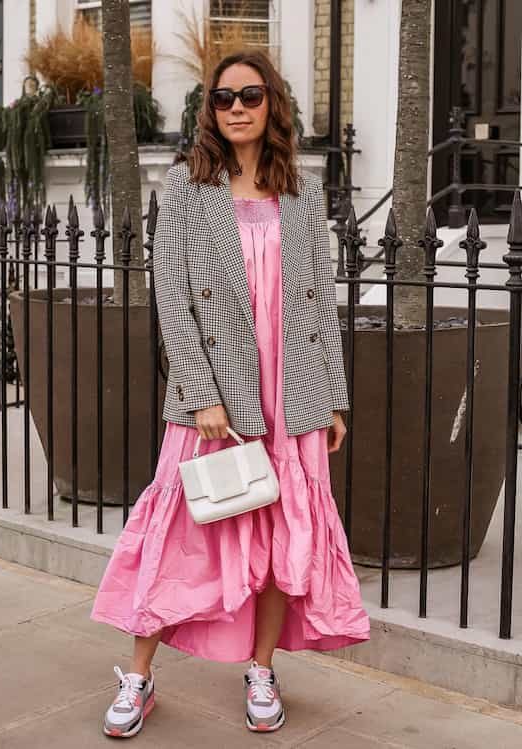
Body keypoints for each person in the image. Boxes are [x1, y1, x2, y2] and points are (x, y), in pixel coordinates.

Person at [90, 49, 370, 739]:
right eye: (223, 98)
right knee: (179, 527)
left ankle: (262, 667)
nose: (237, 107)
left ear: (272, 102)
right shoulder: (188, 187)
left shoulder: (300, 193)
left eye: (250, 95)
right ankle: (138, 673)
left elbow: (318, 302)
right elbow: (173, 301)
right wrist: (199, 393)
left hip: (291, 390)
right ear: (208, 110)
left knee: (278, 532)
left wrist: (333, 397)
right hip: (214, 393)